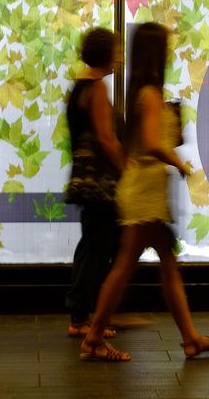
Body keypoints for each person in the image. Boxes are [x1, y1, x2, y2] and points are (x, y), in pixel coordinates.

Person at [81, 22, 209, 362]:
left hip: (145, 188)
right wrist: (179, 162)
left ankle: (191, 338)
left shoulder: (142, 93)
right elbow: (150, 143)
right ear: (156, 53)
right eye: (165, 47)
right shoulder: (149, 96)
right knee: (128, 266)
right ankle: (92, 338)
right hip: (145, 191)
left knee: (163, 263)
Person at [64, 27, 126, 339]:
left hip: (83, 176)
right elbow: (106, 138)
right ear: (105, 54)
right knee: (98, 246)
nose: (119, 58)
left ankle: (91, 313)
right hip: (100, 181)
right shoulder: (98, 89)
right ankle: (82, 317)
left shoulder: (79, 87)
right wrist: (125, 169)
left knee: (94, 243)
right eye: (116, 51)